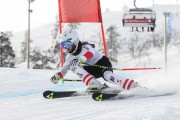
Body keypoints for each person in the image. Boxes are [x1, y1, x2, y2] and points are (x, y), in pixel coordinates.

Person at [50, 28, 141, 91]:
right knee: (73, 65)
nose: (66, 47)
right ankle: (94, 84)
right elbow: (63, 70)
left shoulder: (86, 46)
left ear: (75, 41)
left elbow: (91, 53)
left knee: (108, 77)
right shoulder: (70, 58)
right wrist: (57, 76)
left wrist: (80, 60)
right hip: (91, 71)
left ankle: (132, 85)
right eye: (63, 45)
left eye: (67, 44)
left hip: (102, 63)